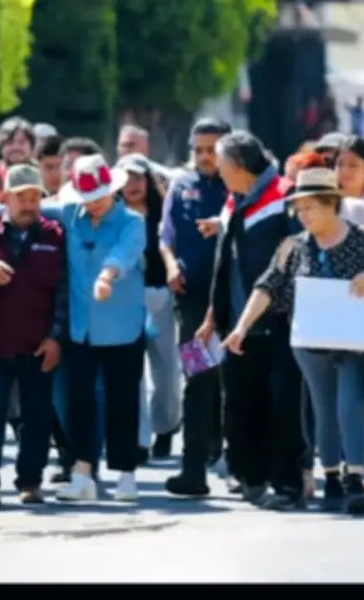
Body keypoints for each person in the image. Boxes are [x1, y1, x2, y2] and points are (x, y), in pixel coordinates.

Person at [221, 167, 364, 515]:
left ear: (331, 204)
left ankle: (355, 477)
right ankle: (331, 476)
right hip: (308, 340)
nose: (303, 215)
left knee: (349, 405)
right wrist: (241, 327)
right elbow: (267, 286)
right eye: (299, 209)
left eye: (310, 208)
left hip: (353, 340)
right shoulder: (293, 246)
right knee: (322, 408)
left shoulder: (361, 236)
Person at [197, 130, 305, 510]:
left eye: (222, 163)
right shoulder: (234, 199)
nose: (216, 169)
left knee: (281, 406)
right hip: (236, 327)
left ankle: (287, 484)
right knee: (239, 404)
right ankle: (249, 477)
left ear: (240, 166)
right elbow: (225, 264)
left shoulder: (286, 196)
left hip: (278, 322)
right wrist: (214, 313)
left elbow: (298, 259)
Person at [0, 165, 67, 509]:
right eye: (22, 197)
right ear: (6, 198)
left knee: (36, 415)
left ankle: (30, 481)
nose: (30, 203)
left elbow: (63, 293)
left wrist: (55, 338)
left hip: (37, 342)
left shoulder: (54, 235)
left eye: (35, 196)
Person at [47, 154, 146, 502]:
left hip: (123, 327)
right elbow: (31, 210)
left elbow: (124, 253)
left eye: (101, 197)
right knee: (80, 403)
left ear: (113, 190)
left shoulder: (131, 221)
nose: (95, 205)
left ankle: (126, 475)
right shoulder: (70, 215)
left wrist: (107, 276)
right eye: (88, 199)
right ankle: (83, 473)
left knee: (122, 400)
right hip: (81, 328)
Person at [159, 118, 231, 496]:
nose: (205, 158)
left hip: (234, 299)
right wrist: (171, 267)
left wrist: (223, 226)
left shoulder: (242, 187)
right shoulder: (180, 186)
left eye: (212, 150)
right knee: (197, 380)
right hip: (191, 299)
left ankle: (238, 463)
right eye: (199, 150)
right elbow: (165, 237)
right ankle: (193, 470)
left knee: (234, 380)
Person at [116, 153, 182, 460]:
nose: (133, 185)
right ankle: (139, 439)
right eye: (126, 178)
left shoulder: (163, 213)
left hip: (160, 297)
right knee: (131, 374)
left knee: (168, 370)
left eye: (139, 177)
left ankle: (166, 426)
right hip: (123, 299)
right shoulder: (111, 214)